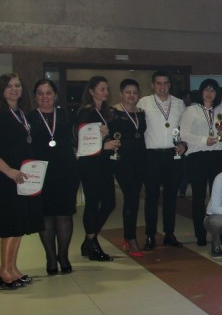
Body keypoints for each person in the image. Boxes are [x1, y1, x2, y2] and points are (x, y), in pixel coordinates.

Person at [0, 73, 44, 289]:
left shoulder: (21, 114)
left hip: (19, 178)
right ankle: (4, 271)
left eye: (18, 85)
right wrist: (8, 171)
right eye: (9, 86)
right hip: (2, 178)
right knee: (9, 226)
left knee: (18, 225)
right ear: (1, 90)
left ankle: (12, 268)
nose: (14, 89)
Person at [28, 79, 80, 274]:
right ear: (35, 97)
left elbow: (78, 138)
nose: (45, 97)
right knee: (46, 216)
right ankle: (50, 257)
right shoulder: (29, 118)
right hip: (40, 173)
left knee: (65, 215)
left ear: (55, 96)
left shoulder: (67, 115)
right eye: (40, 93)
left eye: (48, 93)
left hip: (66, 171)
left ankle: (63, 255)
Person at [138, 71, 187, 249]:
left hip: (173, 154)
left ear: (170, 85)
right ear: (152, 85)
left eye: (165, 83)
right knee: (151, 196)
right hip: (152, 155)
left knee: (171, 196)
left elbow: (184, 128)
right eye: (158, 83)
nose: (162, 86)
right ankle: (150, 235)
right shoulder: (143, 103)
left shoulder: (179, 104)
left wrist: (184, 144)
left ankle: (169, 233)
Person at [75, 76, 120, 262]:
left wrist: (111, 142)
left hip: (104, 163)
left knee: (109, 203)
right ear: (91, 91)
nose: (106, 92)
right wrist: (104, 145)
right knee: (93, 203)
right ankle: (92, 243)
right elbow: (82, 142)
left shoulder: (105, 112)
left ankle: (89, 240)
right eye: (102, 89)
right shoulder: (86, 113)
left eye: (107, 89)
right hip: (90, 164)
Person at [179, 78, 222, 247]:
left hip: (217, 156)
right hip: (197, 157)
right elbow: (184, 134)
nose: (209, 93)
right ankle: (200, 234)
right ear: (201, 92)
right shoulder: (191, 110)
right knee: (198, 197)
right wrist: (203, 140)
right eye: (206, 90)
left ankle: (217, 232)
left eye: (212, 90)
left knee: (217, 198)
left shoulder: (220, 110)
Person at [110, 79, 147, 255]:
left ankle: (128, 235)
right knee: (131, 195)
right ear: (121, 93)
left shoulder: (141, 113)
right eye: (128, 92)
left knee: (133, 198)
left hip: (140, 160)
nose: (131, 95)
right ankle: (131, 238)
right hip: (121, 161)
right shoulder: (113, 112)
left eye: (135, 92)